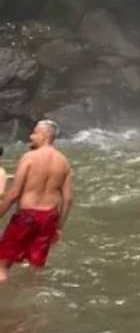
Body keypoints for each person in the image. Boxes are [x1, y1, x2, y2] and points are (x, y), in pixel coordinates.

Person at [0, 120, 73, 282]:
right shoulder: (64, 162)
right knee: (36, 267)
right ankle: (35, 304)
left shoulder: (29, 157)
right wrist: (59, 228)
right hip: (49, 218)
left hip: (27, 216)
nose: (30, 136)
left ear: (45, 135)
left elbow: (14, 193)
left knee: (2, 265)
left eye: (34, 132)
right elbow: (68, 200)